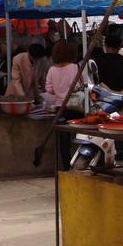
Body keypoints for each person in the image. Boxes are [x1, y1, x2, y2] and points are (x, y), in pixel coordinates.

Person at [45, 41, 81, 170]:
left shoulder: (52, 70)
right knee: (81, 138)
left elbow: (49, 90)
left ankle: (66, 167)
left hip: (60, 109)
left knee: (63, 142)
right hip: (76, 108)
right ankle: (81, 164)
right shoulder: (75, 67)